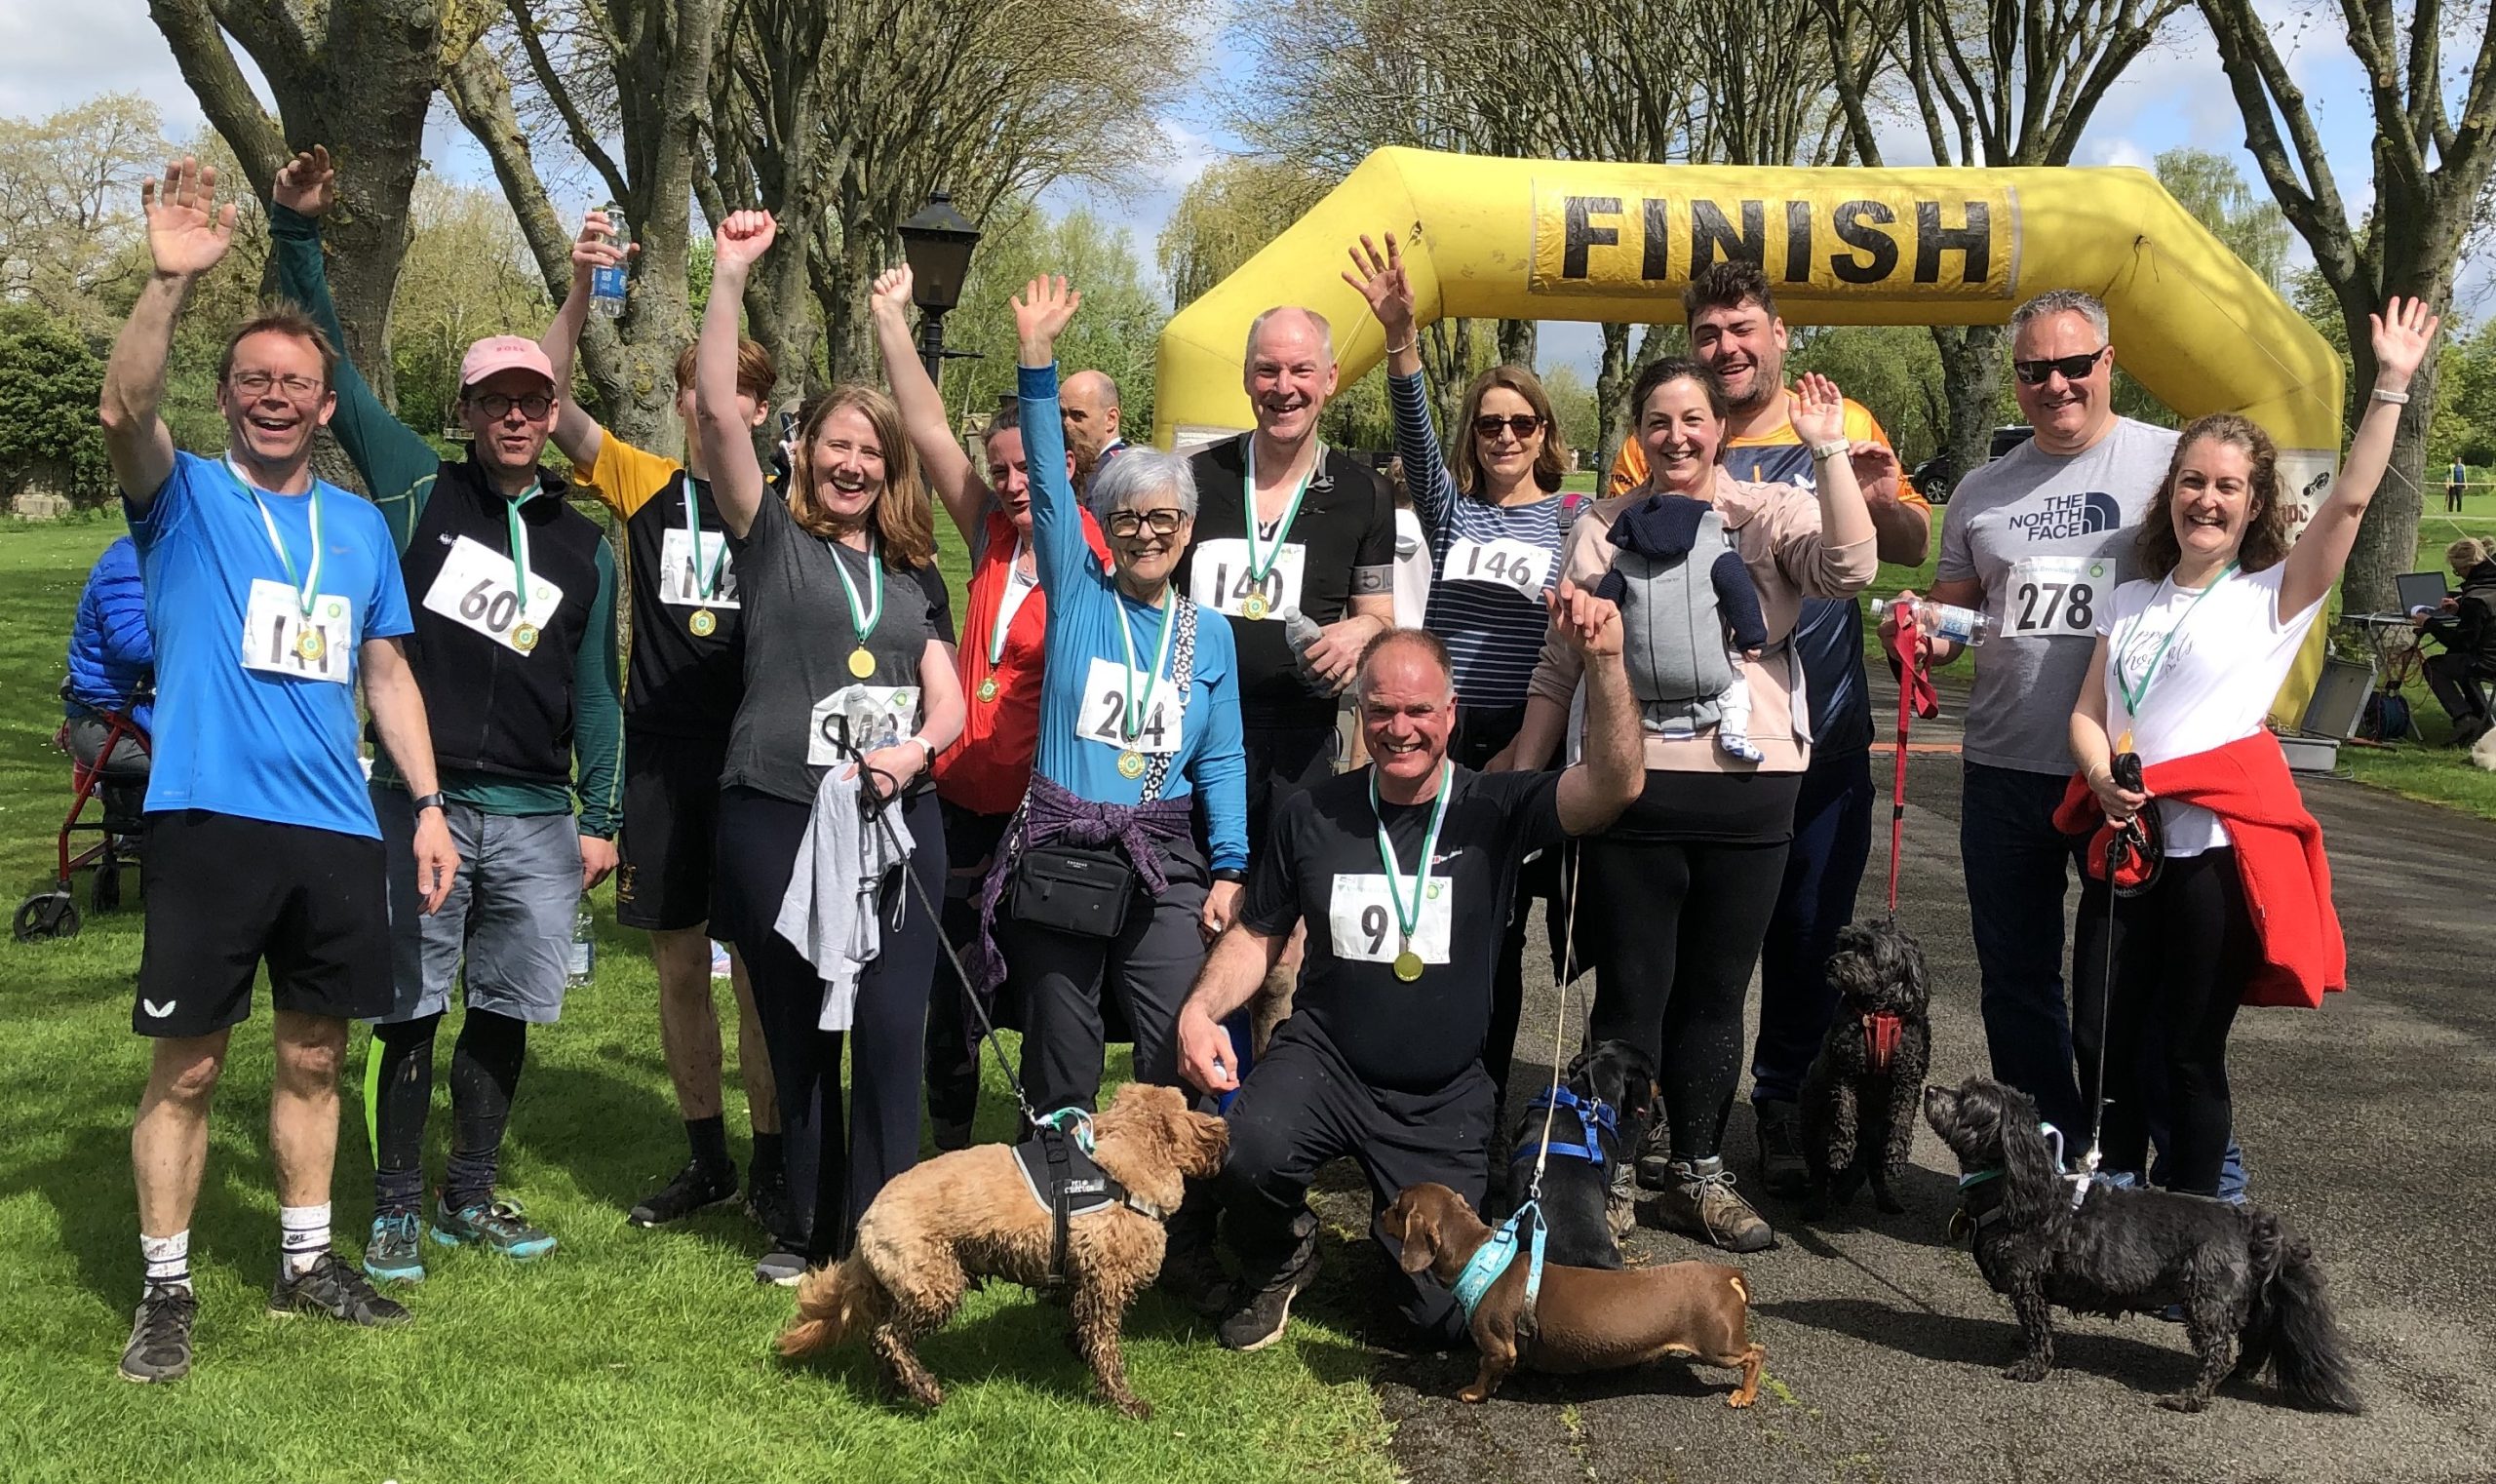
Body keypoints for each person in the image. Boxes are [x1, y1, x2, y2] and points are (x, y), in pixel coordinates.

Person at [99, 156, 459, 1382]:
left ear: (321, 403)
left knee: (315, 1051)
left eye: (296, 384)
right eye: (253, 380)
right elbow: (119, 411)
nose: (274, 398)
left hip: (332, 828)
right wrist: (166, 280)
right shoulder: (183, 496)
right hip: (208, 817)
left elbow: (388, 673)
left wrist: (426, 802)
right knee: (189, 1060)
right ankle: (164, 1287)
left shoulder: (357, 527)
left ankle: (307, 1260)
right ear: (227, 394)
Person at [268, 148, 622, 1282]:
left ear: (551, 409)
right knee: (409, 1009)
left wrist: (601, 811)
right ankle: (397, 1206)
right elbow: (332, 365)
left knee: (507, 1010)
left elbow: (599, 691)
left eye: (534, 400)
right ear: (466, 410)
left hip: (532, 815)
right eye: (496, 401)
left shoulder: (584, 540)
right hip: (422, 805)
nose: (517, 416)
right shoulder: (421, 485)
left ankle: (473, 1191)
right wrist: (298, 235)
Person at [1176, 612, 1643, 1350]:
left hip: (1440, 1091)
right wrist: (1201, 1011)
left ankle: (1392, 1230)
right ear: (1361, 712)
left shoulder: (1498, 807)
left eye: (1419, 710)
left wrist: (1608, 663)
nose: (1401, 729)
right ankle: (1283, 1252)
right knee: (1244, 1149)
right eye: (1382, 710)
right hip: (1325, 1061)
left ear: (1450, 714)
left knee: (1437, 1322)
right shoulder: (1314, 813)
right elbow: (1259, 932)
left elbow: (1617, 784)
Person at [2066, 296, 2437, 1197]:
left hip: (2210, 863)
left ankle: (2194, 1238)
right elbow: (2086, 712)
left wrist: (2390, 383)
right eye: (2194, 481)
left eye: (2228, 487)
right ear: (2173, 492)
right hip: (2124, 849)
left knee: (2185, 1055)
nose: (2208, 499)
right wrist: (2099, 779)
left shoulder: (2273, 596)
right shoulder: (2130, 598)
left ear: (2254, 504)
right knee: (2102, 1042)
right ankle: (2112, 1217)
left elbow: (2350, 500)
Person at [1506, 360, 1878, 1254]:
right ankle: (1616, 1173)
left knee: (1717, 993)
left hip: (1753, 789)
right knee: (1633, 990)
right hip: (1629, 786)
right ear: (1639, 433)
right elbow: (1560, 664)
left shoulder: (1766, 510)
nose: (1677, 437)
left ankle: (1702, 1172)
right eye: (1658, 421)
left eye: (1693, 419)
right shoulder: (1599, 525)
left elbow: (1851, 566)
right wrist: (1521, 777)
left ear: (1721, 428)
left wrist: (1827, 455)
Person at [1600, 260, 1930, 1200]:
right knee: (1689, 945)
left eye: (1744, 328)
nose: (1727, 348)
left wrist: (1864, 493)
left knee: (1807, 932)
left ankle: (1784, 1101)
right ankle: (1660, 1108)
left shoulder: (1840, 419)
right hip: (1695, 743)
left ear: (1780, 334)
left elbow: (1903, 546)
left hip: (1819, 726)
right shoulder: (1663, 433)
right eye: (1708, 334)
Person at [696, 210, 965, 1282]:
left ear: (888, 467)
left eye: (871, 449)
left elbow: (945, 700)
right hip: (777, 809)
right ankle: (801, 1225)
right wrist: (727, 278)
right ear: (803, 452)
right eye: (836, 445)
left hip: (898, 816)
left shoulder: (913, 573)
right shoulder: (770, 540)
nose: (853, 463)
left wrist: (915, 756)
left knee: (893, 1026)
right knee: (803, 1021)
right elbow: (719, 411)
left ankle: (881, 1229)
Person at [538, 211, 788, 1233]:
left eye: (731, 392)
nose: (710, 406)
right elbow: (543, 401)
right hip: (664, 766)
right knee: (681, 966)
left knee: (764, 977)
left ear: (760, 410)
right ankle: (705, 1159)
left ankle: (776, 1163)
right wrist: (579, 286)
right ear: (680, 402)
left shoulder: (790, 509)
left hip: (763, 764)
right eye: (696, 392)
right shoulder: (646, 483)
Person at [975, 274, 1246, 1117]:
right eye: (1128, 518)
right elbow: (1049, 484)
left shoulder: (1212, 634)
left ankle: (1158, 1208)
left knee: (1172, 1041)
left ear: (1188, 530)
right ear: (1105, 527)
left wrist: (1230, 868)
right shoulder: (1081, 591)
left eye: (1165, 519)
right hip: (1061, 846)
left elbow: (1225, 756)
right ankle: (1060, 1195)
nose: (1147, 533)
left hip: (1160, 858)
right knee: (1063, 1048)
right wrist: (1036, 358)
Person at [869, 264, 1113, 1149]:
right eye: (1000, 468)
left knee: (1042, 990)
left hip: (1036, 811)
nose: (1013, 483)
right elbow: (929, 428)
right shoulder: (988, 536)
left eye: (1028, 468)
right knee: (945, 987)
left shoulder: (1094, 551)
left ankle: (1044, 1148)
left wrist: (1033, 355)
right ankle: (947, 1144)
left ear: (1067, 468)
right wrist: (893, 318)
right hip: (955, 802)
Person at [1343, 232, 1577, 1105]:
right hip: (1437, 730)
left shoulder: (1572, 520)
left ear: (1545, 432)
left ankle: (1482, 1089)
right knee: (1425, 901)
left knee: (1500, 921)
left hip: (1527, 733)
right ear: (1473, 440)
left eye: (1523, 423)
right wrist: (1401, 338)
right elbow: (1412, 425)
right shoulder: (1453, 516)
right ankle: (1404, 1074)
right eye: (1490, 425)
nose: (1507, 436)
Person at [63, 534, 155, 782]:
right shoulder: (128, 561)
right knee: (227, 768)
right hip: (114, 725)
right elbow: (135, 645)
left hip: (146, 715)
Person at [2419, 536, 2496, 747]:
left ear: (2468, 567)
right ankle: (2484, 721)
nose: (2458, 575)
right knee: (2457, 663)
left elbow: (2461, 643)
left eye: (2457, 570)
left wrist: (2430, 623)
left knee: (2435, 666)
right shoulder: (2487, 590)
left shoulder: (2476, 599)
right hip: (2489, 657)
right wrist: (2459, 609)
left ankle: (2464, 718)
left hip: (2487, 663)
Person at [1061, 369, 1126, 490]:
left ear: (1110, 419)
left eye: (1078, 415)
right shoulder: (1087, 469)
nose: (1066, 423)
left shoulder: (1121, 476)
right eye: (1062, 414)